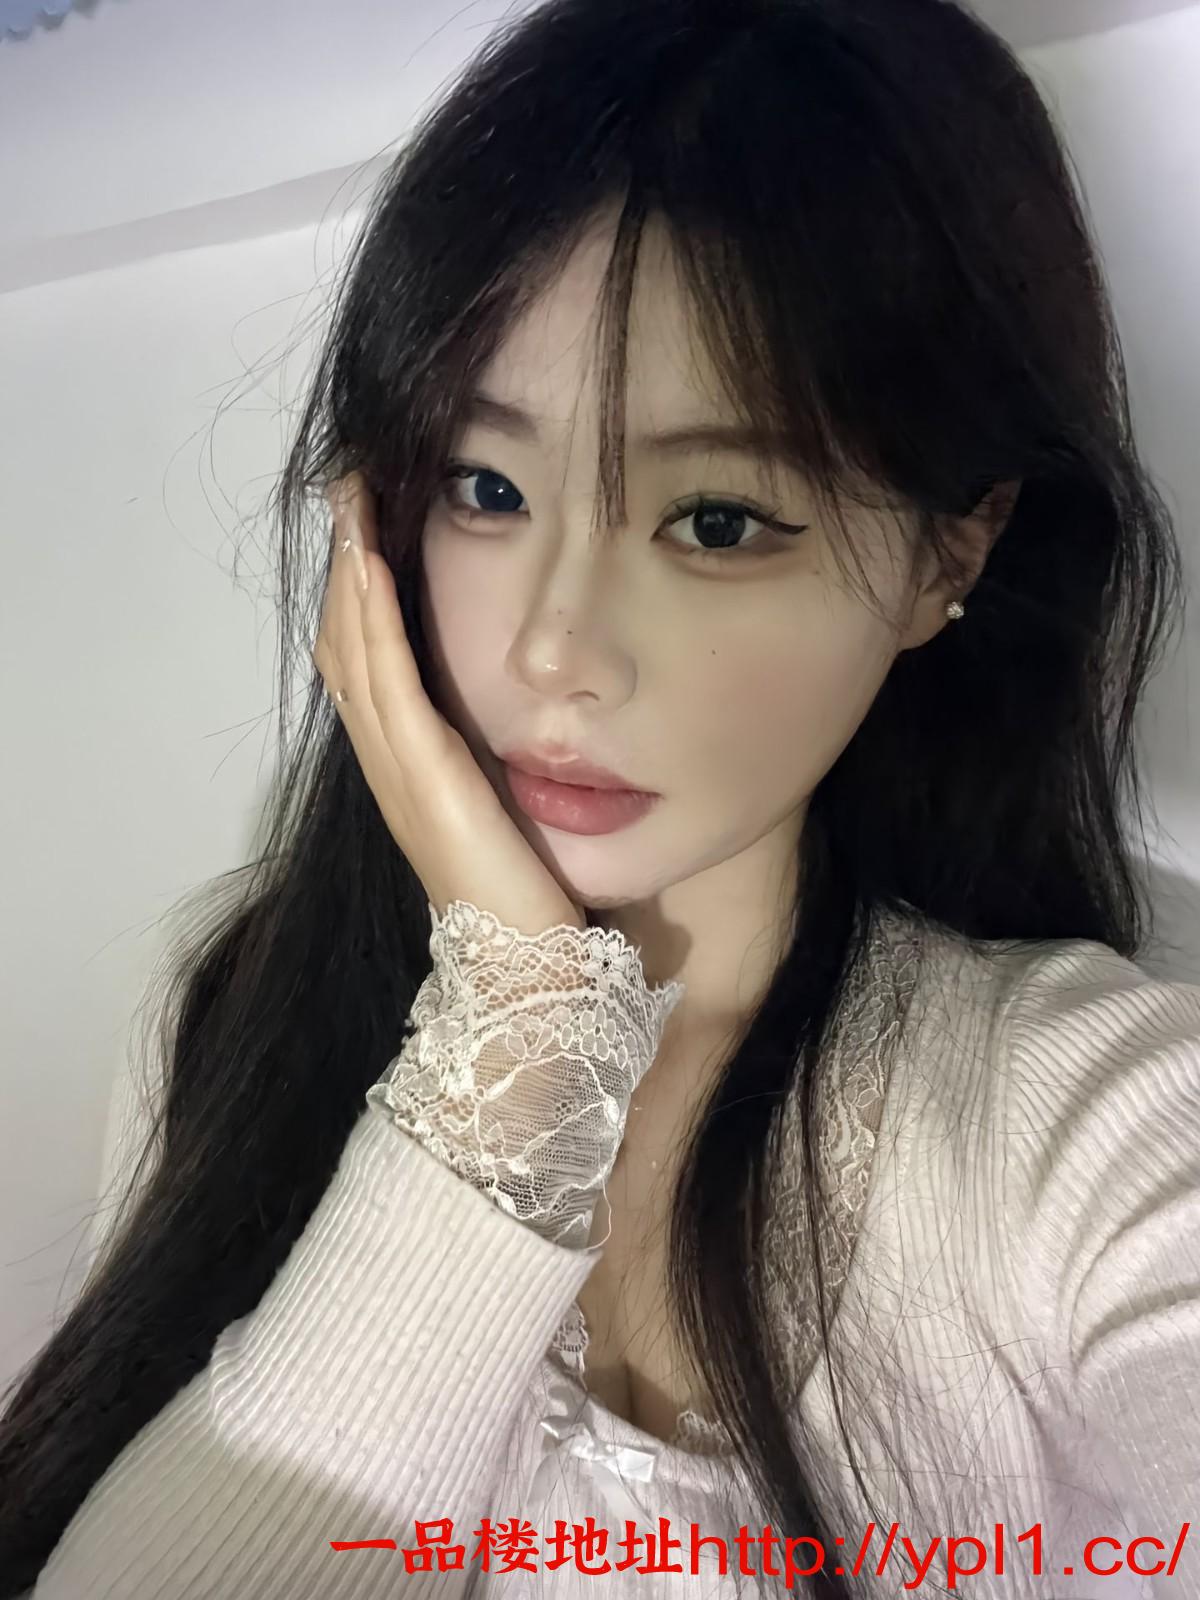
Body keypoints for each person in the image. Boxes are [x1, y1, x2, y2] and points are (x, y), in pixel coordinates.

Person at [2, 0, 1198, 1594]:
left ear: (950, 552)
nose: (556, 649)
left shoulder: (1093, 1125)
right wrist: (512, 1045)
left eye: (717, 521)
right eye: (486, 487)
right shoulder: (230, 1007)